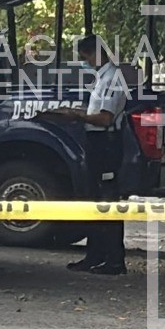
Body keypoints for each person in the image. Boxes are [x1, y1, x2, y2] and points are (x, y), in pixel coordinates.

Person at [39, 34, 128, 275]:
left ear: (97, 53)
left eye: (86, 57)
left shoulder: (113, 79)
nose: (85, 62)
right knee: (93, 200)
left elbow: (105, 118)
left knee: (107, 202)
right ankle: (95, 255)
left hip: (106, 144)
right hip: (97, 143)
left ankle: (114, 261)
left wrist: (77, 116)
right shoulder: (102, 77)